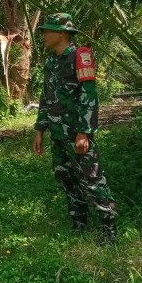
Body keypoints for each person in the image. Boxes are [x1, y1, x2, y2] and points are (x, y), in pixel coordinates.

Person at [32, 13, 117, 244]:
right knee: (66, 177)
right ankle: (79, 223)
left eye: (47, 31)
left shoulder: (81, 56)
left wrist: (84, 132)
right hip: (58, 134)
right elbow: (45, 97)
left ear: (61, 33)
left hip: (76, 132)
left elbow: (89, 96)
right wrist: (40, 129)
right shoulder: (51, 62)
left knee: (92, 178)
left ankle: (109, 228)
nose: (43, 36)